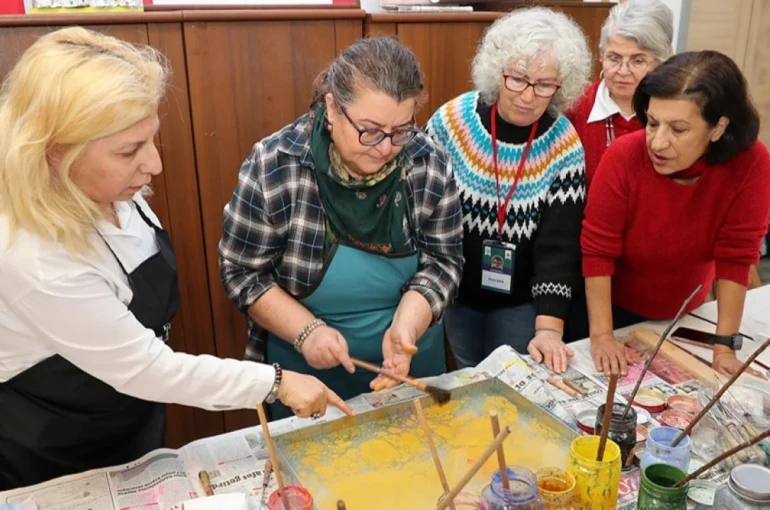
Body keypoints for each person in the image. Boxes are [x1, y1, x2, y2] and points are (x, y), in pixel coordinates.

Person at [0, 27, 351, 491]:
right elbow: (147, 368)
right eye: (129, 151)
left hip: (128, 417)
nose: (154, 166)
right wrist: (277, 382)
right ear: (54, 154)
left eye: (150, 140)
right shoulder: (33, 257)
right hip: (57, 447)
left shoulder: (109, 186)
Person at [219, 37, 464, 420]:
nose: (385, 148)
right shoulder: (275, 164)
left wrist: (408, 325)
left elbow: (444, 262)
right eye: (370, 130)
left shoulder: (428, 162)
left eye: (401, 130)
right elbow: (242, 274)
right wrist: (306, 332)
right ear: (332, 107)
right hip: (308, 378)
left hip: (410, 363)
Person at [582, 50, 770, 377]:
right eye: (652, 123)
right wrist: (601, 336)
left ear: (718, 128)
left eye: (678, 129)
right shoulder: (623, 157)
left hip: (687, 312)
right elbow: (598, 251)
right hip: (611, 307)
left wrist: (724, 346)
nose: (657, 142)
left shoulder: (751, 163)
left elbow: (737, 256)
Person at [426, 7, 590, 374]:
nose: (528, 95)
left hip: (521, 303)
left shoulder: (564, 145)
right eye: (517, 78)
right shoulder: (450, 122)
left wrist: (549, 328)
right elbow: (420, 214)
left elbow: (560, 246)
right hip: (455, 294)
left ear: (562, 86)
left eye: (544, 84)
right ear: (496, 70)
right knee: (466, 374)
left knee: (511, 379)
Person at [567, 0, 674, 189]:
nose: (623, 71)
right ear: (601, 55)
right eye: (614, 58)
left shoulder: (675, 113)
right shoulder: (574, 107)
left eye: (638, 60)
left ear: (660, 62)